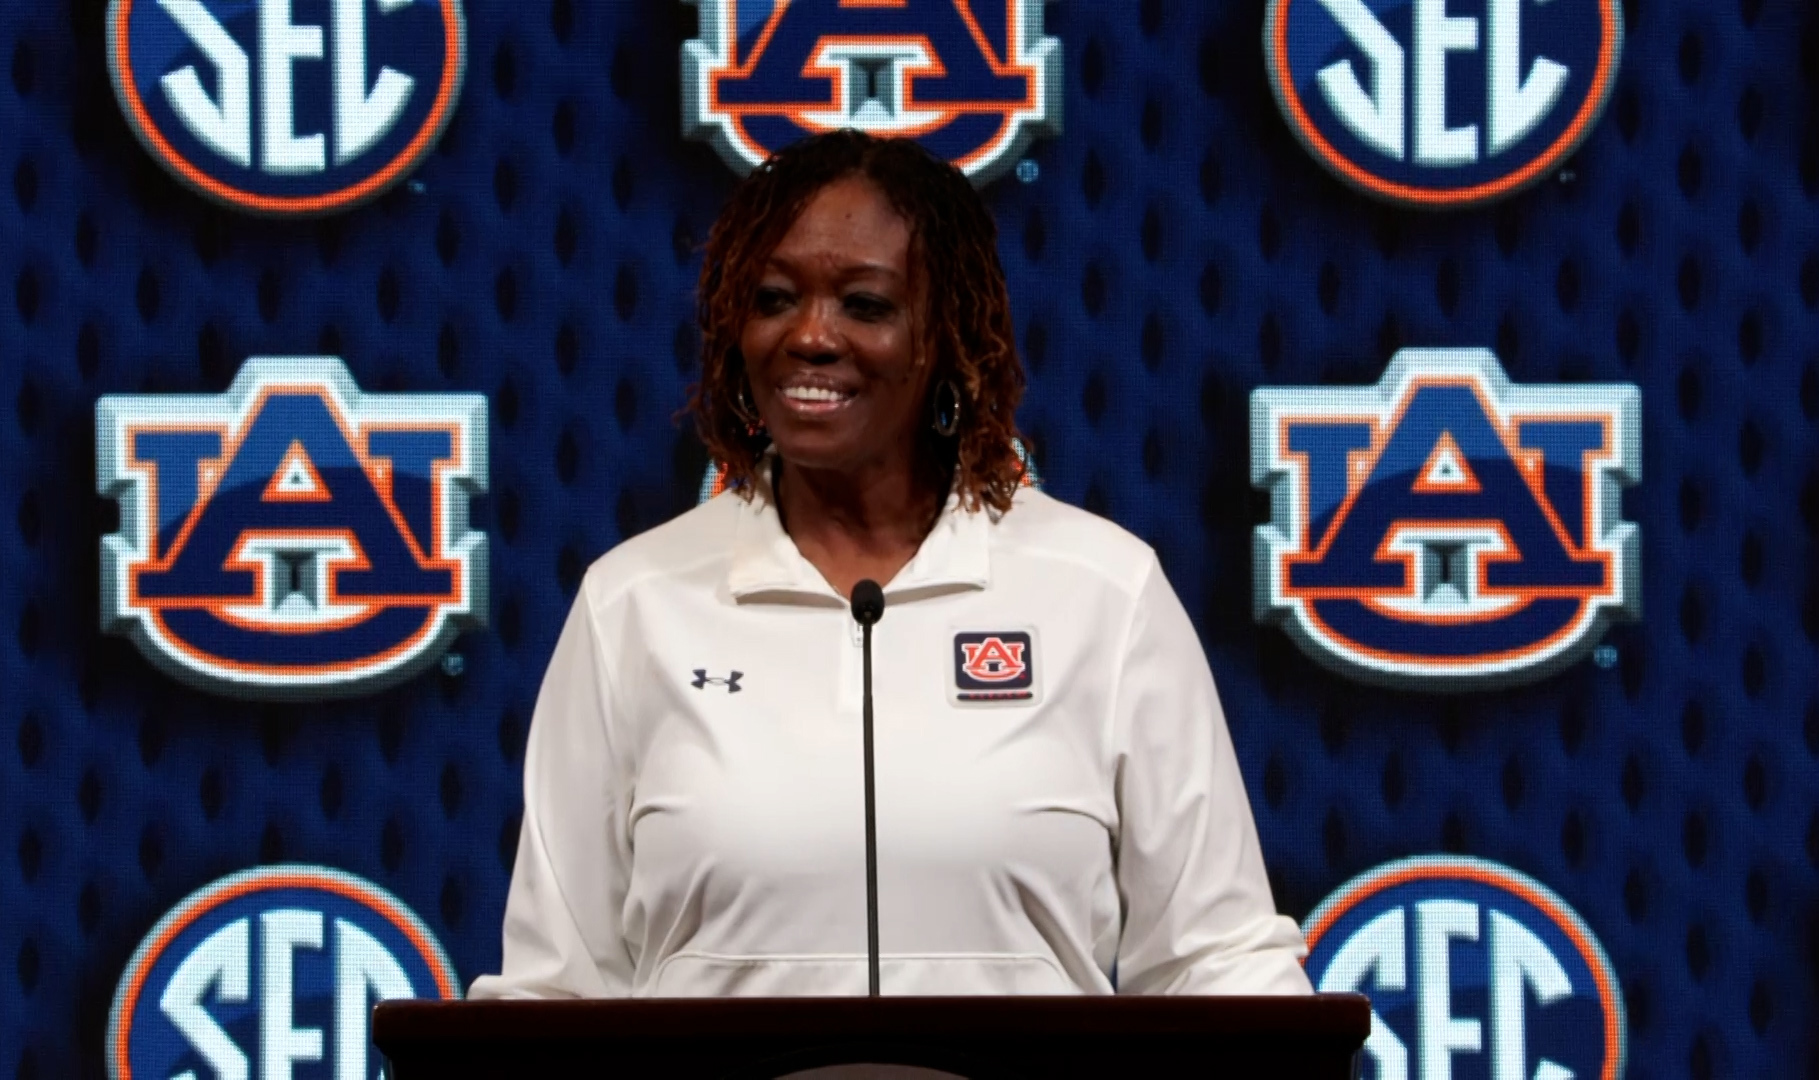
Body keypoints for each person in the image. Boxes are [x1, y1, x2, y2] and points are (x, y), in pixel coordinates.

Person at [470, 130, 1310, 998]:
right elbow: (557, 992)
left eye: (864, 305)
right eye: (773, 298)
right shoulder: (633, 605)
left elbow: (1218, 963)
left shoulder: (1102, 592)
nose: (810, 336)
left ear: (942, 335)